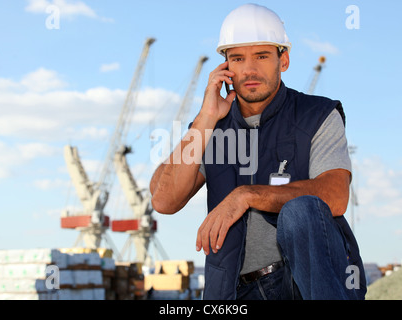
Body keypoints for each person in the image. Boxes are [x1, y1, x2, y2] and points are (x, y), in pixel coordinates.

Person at [149, 3, 366, 300]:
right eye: (237, 58)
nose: (249, 70)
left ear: (284, 59)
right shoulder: (211, 128)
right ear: (225, 67)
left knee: (300, 210)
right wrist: (205, 119)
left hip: (302, 286)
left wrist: (247, 195)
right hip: (232, 291)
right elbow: (163, 199)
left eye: (262, 56)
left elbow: (336, 195)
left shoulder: (317, 115)